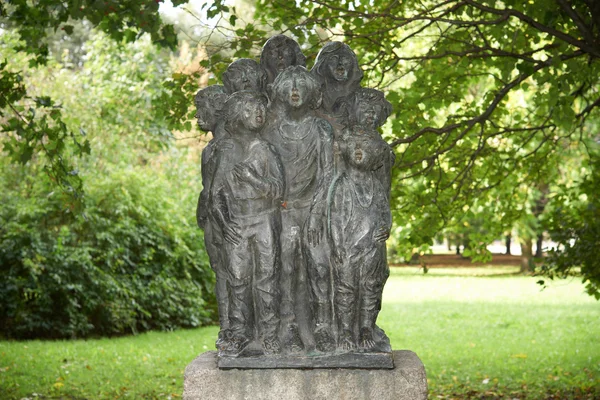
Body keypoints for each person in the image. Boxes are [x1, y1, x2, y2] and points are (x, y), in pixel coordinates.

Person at [262, 66, 336, 353]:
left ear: (311, 93)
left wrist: (317, 213)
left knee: (319, 265)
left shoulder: (321, 129)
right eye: (289, 86)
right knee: (286, 266)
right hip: (283, 210)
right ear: (280, 92)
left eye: (300, 86)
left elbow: (328, 174)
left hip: (314, 207)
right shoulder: (272, 131)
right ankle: (289, 326)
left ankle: (324, 327)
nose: (295, 91)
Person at [209, 91, 285, 355]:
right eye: (250, 110)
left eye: (260, 110)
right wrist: (224, 221)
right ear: (237, 115)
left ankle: (269, 334)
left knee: (267, 277)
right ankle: (239, 333)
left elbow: (278, 190)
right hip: (238, 222)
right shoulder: (228, 150)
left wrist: (254, 180)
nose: (258, 114)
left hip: (265, 219)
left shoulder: (265, 149)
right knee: (238, 279)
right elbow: (215, 195)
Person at [328, 127, 392, 351]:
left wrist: (385, 229)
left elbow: (385, 213)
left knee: (370, 288)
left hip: (373, 248)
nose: (358, 151)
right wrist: (337, 247)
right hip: (348, 248)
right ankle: (345, 331)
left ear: (373, 153)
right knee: (346, 290)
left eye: (364, 147)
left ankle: (366, 328)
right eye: (354, 146)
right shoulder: (342, 184)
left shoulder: (376, 185)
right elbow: (334, 219)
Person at [194, 85, 231, 350]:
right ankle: (228, 328)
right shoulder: (212, 147)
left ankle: (233, 330)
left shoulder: (228, 146)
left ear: (218, 109)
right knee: (223, 275)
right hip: (214, 221)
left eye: (201, 109)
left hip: (230, 222)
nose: (197, 116)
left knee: (232, 276)